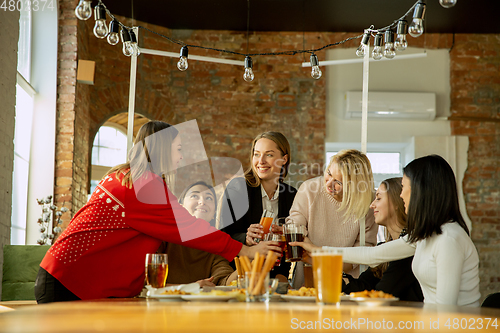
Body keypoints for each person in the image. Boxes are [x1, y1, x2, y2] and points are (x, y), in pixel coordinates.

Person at [35, 120, 279, 303]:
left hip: (63, 275)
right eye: (178, 148)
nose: (182, 156)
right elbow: (188, 227)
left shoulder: (124, 176)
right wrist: (245, 250)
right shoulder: (144, 185)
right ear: (161, 148)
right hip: (69, 282)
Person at [292, 155, 481, 307]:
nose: (400, 194)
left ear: (421, 192)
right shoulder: (425, 236)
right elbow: (373, 255)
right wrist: (317, 250)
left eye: (405, 188)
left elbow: (445, 311)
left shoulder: (449, 238)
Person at [288, 149, 378, 288]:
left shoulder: (368, 203)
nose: (329, 184)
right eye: (329, 173)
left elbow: (362, 253)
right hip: (308, 281)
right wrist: (295, 234)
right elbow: (295, 227)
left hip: (347, 284)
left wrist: (317, 256)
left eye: (338, 182)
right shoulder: (309, 189)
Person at [219, 132, 297, 282]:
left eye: (268, 155)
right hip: (240, 274)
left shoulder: (291, 195)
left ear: (283, 159)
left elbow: (287, 242)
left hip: (274, 276)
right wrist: (246, 239)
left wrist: (282, 276)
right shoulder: (237, 188)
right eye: (256, 154)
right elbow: (225, 235)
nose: (260, 161)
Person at [342, 177, 423, 302]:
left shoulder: (409, 248)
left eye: (378, 198)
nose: (371, 205)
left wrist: (319, 253)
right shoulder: (386, 247)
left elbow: (381, 293)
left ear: (397, 202)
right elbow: (364, 287)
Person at [162, 181, 237, 287]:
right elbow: (148, 283)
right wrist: (191, 288)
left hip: (201, 304)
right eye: (194, 196)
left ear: (213, 213)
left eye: (208, 198)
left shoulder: (217, 243)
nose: (202, 202)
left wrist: (256, 262)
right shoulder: (163, 235)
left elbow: (224, 281)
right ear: (181, 207)